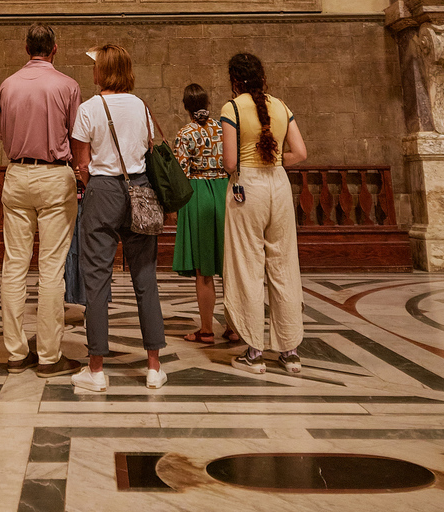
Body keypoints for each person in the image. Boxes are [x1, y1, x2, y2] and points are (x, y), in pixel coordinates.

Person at [70, 44, 167, 392]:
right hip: (140, 190)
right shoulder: (141, 106)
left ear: (103, 71)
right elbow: (148, 148)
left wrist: (95, 184)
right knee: (145, 277)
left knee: (96, 281)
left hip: (102, 190)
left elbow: (82, 162)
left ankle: (96, 370)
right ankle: (154, 367)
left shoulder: (89, 109)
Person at [0, 23, 82, 378]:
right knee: (51, 269)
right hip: (54, 174)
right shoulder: (67, 85)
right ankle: (49, 356)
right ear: (55, 49)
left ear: (26, 47)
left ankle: (15, 353)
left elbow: (2, 134)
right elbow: (78, 139)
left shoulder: (8, 85)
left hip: (16, 173)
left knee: (14, 265)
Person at [220, 53, 307, 375]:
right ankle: (290, 351)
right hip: (279, 186)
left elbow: (230, 163)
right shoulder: (281, 106)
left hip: (248, 188)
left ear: (235, 79)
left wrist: (251, 164)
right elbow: (300, 152)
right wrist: (273, 161)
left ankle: (254, 352)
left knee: (248, 267)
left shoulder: (232, 108)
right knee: (284, 267)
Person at [172, 84, 239, 345]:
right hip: (225, 191)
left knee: (204, 269)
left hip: (197, 193)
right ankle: (234, 327)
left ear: (186, 106)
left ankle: (207, 330)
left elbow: (181, 173)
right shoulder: (222, 129)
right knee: (229, 265)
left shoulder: (185, 133)